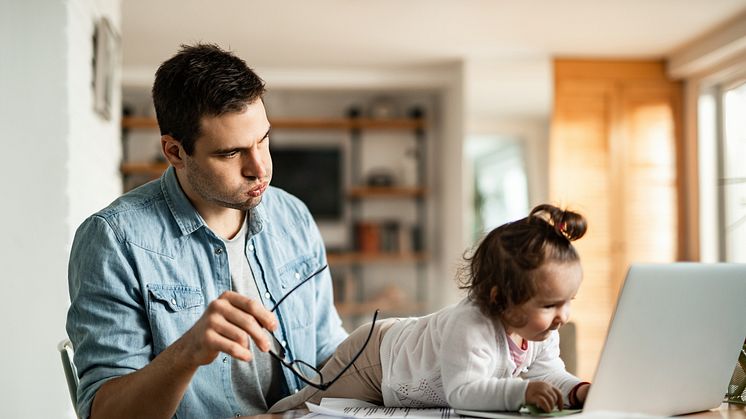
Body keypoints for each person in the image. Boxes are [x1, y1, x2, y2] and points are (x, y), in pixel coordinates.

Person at [66, 43, 347, 419]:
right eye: (230, 153)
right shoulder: (114, 240)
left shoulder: (293, 216)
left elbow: (327, 351)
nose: (258, 168)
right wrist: (188, 353)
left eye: (263, 140)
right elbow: (105, 413)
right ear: (175, 152)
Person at [269, 204, 592, 414]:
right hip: (376, 359)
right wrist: (522, 392)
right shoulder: (472, 325)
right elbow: (463, 391)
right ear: (500, 298)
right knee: (307, 407)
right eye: (550, 305)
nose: (562, 317)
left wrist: (577, 390)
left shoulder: (540, 331)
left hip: (398, 380)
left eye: (568, 302)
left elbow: (548, 372)